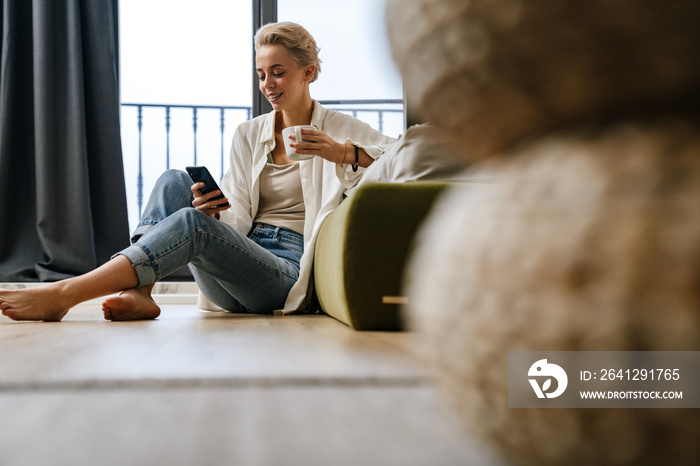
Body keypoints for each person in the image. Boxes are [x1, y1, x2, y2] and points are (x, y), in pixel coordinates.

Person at [0, 22, 395, 322]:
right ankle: (141, 291)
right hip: (240, 255)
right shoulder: (249, 133)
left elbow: (407, 157)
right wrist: (213, 215)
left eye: (278, 72)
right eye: (260, 74)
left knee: (190, 223)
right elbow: (238, 212)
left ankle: (65, 294)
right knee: (175, 181)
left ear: (308, 73)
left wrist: (342, 152)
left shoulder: (340, 129)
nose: (267, 84)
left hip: (283, 273)